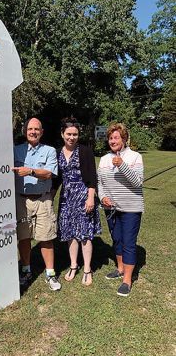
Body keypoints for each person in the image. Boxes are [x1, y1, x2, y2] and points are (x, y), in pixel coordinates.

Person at [12, 117, 61, 291]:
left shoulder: (49, 151)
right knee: (23, 236)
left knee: (46, 237)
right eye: (30, 129)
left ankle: (50, 273)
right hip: (21, 200)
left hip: (42, 199)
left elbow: (49, 173)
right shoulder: (15, 150)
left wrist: (31, 171)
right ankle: (26, 270)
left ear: (42, 132)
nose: (33, 132)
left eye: (36, 129)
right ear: (25, 131)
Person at [52, 117, 101, 286]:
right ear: (62, 134)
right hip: (66, 199)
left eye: (75, 134)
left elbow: (93, 177)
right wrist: (50, 198)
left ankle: (87, 269)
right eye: (68, 134)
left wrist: (90, 197)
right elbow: (56, 178)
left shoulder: (85, 151)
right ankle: (73, 265)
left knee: (85, 233)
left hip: (83, 195)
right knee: (69, 233)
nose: (71, 137)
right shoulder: (57, 152)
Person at [98, 122, 144, 297]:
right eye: (110, 138)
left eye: (116, 137)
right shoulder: (103, 159)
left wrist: (122, 165)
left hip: (131, 208)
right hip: (111, 208)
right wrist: (103, 198)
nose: (112, 140)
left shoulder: (135, 157)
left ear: (124, 139)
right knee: (116, 240)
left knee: (128, 243)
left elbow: (138, 182)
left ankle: (127, 280)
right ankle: (119, 268)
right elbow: (100, 183)